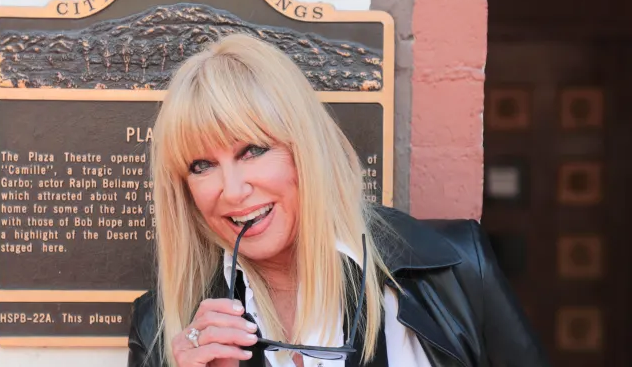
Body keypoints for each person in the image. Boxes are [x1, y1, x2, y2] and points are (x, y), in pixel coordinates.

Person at [127, 33, 549, 367]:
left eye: (252, 150)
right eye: (202, 165)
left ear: (304, 148)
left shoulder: (456, 269)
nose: (233, 190)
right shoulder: (159, 330)